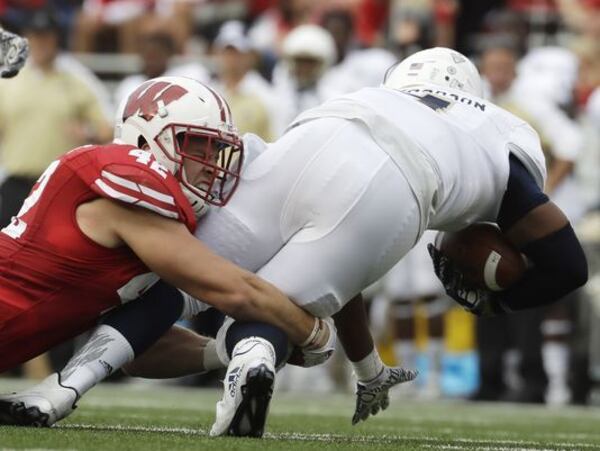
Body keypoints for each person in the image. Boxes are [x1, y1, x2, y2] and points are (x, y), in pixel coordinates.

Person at [3, 47, 588, 437]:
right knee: (270, 301)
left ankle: (60, 389)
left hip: (311, 141)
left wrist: (367, 369)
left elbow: (337, 282)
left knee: (185, 280)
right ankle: (252, 363)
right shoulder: (499, 131)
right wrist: (498, 297)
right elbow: (567, 265)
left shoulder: (376, 95)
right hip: (399, 186)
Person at [0, 76, 334, 427]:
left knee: (162, 298)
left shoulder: (138, 220)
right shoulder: (130, 185)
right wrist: (313, 332)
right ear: (144, 138)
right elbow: (235, 291)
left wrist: (229, 351)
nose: (210, 162)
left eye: (216, 149)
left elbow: (138, 351)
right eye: (196, 143)